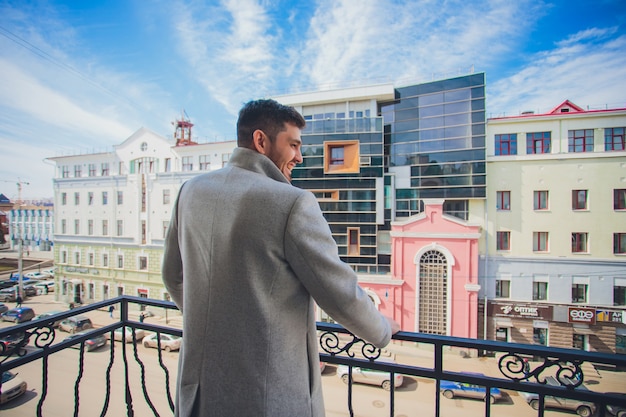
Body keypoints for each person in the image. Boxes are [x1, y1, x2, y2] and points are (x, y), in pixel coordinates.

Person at [162, 99, 399, 417]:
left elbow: (172, 275)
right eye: (294, 145)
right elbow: (338, 292)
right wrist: (381, 330)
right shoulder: (291, 202)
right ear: (261, 140)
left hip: (199, 395)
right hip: (265, 398)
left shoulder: (190, 191)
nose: (299, 157)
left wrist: (217, 323)